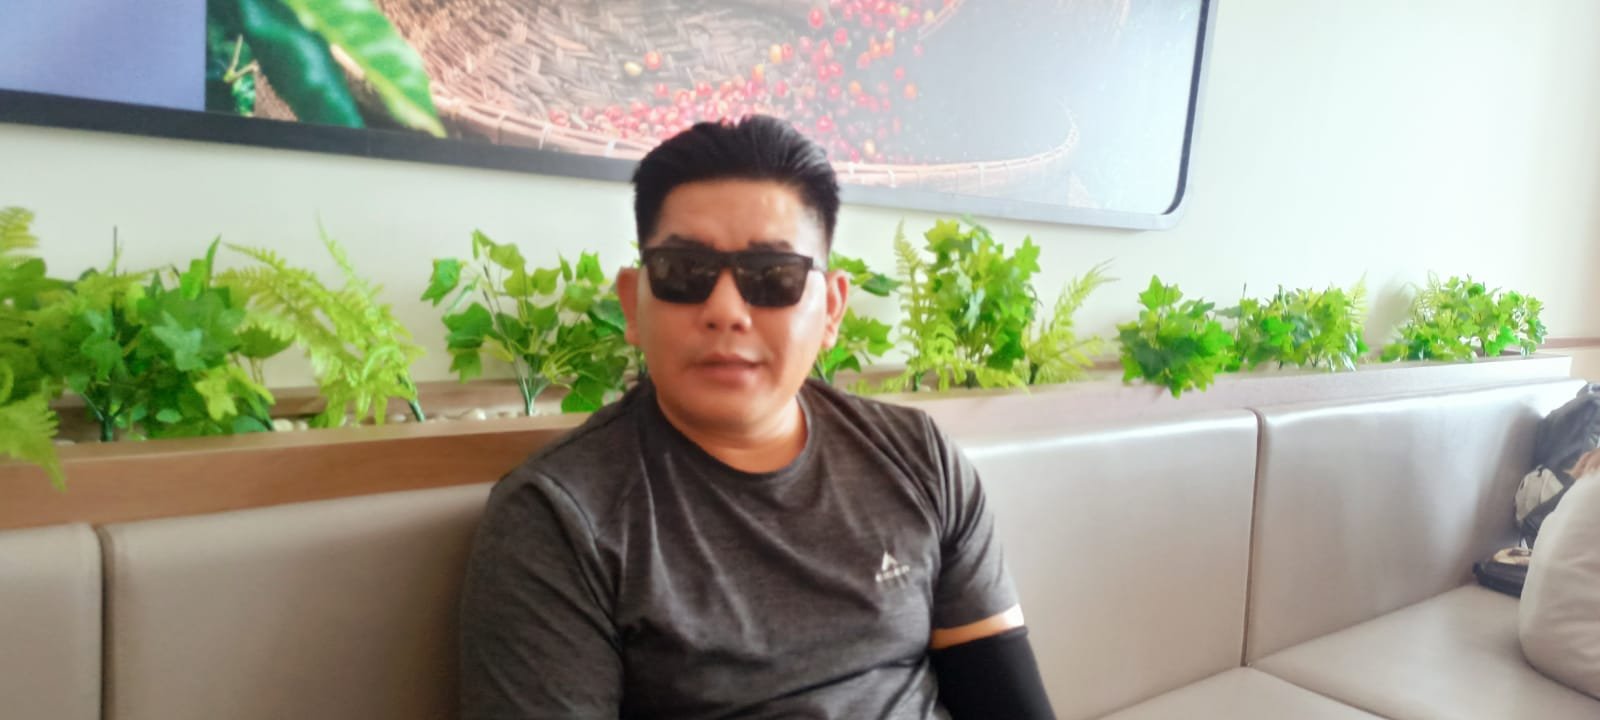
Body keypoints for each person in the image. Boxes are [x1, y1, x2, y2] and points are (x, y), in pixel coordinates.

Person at [459, 115, 1054, 719]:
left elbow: (1004, 700)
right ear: (633, 304)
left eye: (773, 276)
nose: (725, 310)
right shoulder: (560, 517)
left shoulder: (917, 456)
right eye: (683, 272)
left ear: (831, 311)